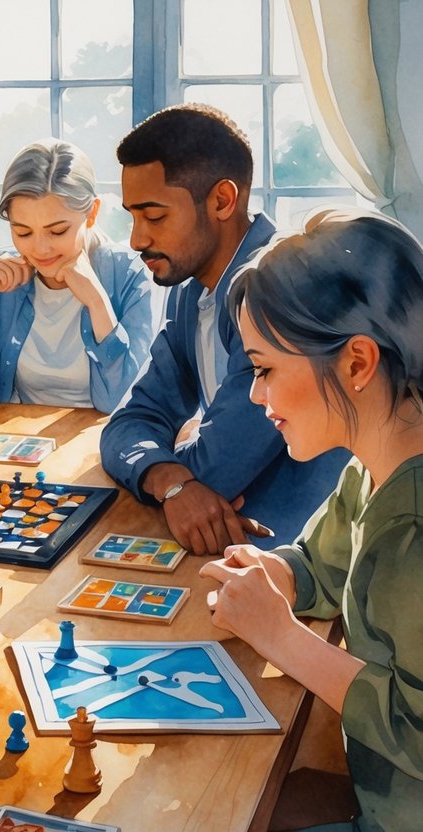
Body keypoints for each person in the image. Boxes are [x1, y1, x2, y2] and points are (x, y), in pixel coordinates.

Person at [202, 209, 423, 832]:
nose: (255, 394)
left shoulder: (415, 532)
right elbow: (322, 567)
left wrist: (281, 638)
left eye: (264, 369)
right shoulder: (369, 469)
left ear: (356, 364)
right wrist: (275, 573)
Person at [100, 104, 349, 555]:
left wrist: (175, 474)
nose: (137, 239)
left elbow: (216, 471)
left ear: (221, 200)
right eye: (132, 217)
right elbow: (130, 422)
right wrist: (170, 479)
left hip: (310, 556)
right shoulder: (188, 289)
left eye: (154, 217)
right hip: (228, 547)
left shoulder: (284, 289)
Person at [0, 138, 153, 412]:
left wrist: (97, 302)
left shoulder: (129, 274)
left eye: (57, 231)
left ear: (92, 213)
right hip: (13, 435)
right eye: (23, 232)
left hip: (98, 437)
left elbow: (122, 402)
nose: (40, 249)